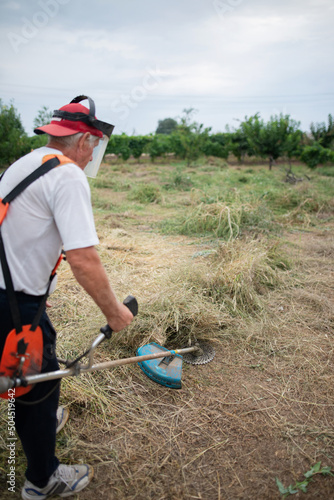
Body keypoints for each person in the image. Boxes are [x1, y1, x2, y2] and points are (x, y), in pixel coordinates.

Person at [0, 96, 134, 499]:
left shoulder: (26, 163)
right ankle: (41, 480)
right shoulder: (69, 175)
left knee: (19, 375)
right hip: (16, 303)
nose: (93, 153)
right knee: (38, 387)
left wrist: (32, 287)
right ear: (82, 141)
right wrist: (115, 314)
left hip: (10, 296)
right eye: (93, 144)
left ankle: (34, 419)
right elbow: (83, 259)